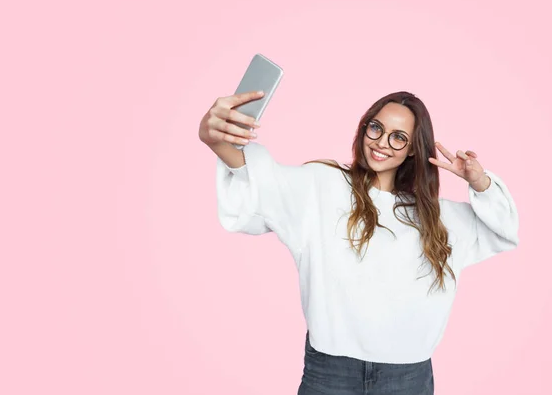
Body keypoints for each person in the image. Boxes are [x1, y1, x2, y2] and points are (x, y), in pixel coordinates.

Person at [199, 90, 519, 395]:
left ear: (412, 149)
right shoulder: (322, 186)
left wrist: (480, 182)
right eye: (376, 128)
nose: (381, 143)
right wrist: (214, 136)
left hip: (407, 378)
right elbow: (257, 179)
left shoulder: (438, 217)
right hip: (330, 373)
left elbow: (502, 231)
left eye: (398, 137)